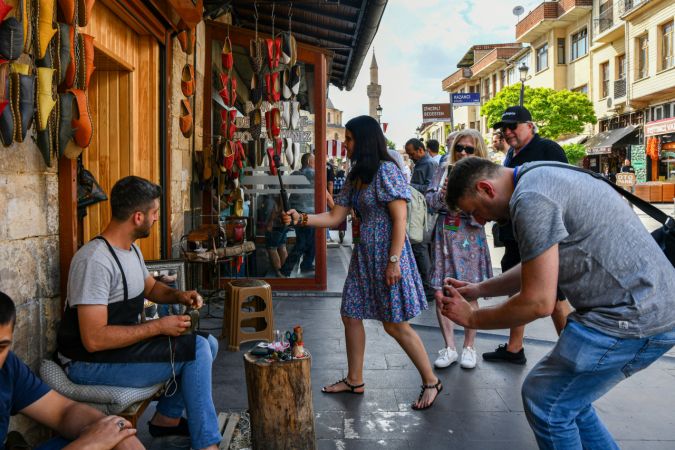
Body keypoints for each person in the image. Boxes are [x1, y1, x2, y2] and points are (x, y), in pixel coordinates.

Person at [439, 157, 675, 449]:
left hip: (632, 317)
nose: (480, 221)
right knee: (569, 401)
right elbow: (535, 268)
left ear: (486, 188)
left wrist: (473, 319)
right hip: (652, 308)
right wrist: (478, 290)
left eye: (476, 211)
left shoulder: (530, 198)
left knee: (546, 401)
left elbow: (538, 303)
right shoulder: (540, 175)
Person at [282, 115, 442, 410]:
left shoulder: (387, 171)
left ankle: (431, 381)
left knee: (395, 324)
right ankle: (355, 380)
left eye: (350, 139)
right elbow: (334, 217)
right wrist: (300, 218)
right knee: (350, 313)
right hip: (365, 255)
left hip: (387, 255)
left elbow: (400, 219)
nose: (346, 144)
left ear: (365, 140)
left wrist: (393, 262)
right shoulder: (358, 175)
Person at [55, 176, 221, 450]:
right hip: (88, 363)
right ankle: (207, 445)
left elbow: (152, 288)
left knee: (209, 343)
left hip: (120, 350)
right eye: (155, 213)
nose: (157, 218)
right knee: (197, 351)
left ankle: (165, 419)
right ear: (138, 216)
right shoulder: (95, 261)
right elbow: (93, 339)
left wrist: (180, 295)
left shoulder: (130, 250)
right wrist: (158, 327)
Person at [1, 292, 144, 450]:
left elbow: (63, 411)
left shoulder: (7, 366)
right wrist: (89, 445)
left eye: (1, 347)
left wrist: (118, 431)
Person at [485, 105, 571, 365]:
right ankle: (514, 347)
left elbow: (564, 187)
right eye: (505, 128)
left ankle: (571, 354)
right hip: (515, 234)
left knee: (554, 297)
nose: (508, 132)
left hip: (541, 234)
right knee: (516, 290)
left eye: (514, 127)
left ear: (530, 126)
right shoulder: (511, 154)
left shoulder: (548, 149)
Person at [425, 129, 492, 370]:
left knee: (470, 291)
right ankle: (450, 347)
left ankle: (469, 347)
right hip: (445, 235)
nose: (463, 152)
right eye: (459, 148)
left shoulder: (485, 172)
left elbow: (490, 210)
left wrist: (468, 203)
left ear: (478, 151)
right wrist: (444, 195)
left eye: (469, 149)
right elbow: (430, 202)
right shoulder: (443, 170)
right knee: (443, 291)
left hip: (471, 236)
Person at [404, 138, 438, 302]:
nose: (410, 157)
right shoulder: (421, 163)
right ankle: (425, 285)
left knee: (420, 247)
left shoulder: (429, 164)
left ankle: (428, 287)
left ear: (420, 150)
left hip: (425, 213)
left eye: (411, 154)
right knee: (420, 247)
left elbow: (431, 188)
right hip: (419, 211)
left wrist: (409, 187)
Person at [280, 153, 317, 276]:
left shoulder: (294, 174)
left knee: (309, 240)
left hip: (295, 211)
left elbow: (285, 189)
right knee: (303, 242)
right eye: (314, 160)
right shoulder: (314, 174)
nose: (316, 162)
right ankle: (286, 269)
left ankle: (306, 264)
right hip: (308, 213)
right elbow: (325, 193)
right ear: (308, 161)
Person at [263, 195, 288, 277]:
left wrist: (269, 223)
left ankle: (279, 273)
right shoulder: (283, 195)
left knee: (272, 249)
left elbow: (273, 212)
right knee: (282, 247)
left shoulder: (271, 199)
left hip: (275, 226)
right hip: (283, 225)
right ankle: (286, 271)